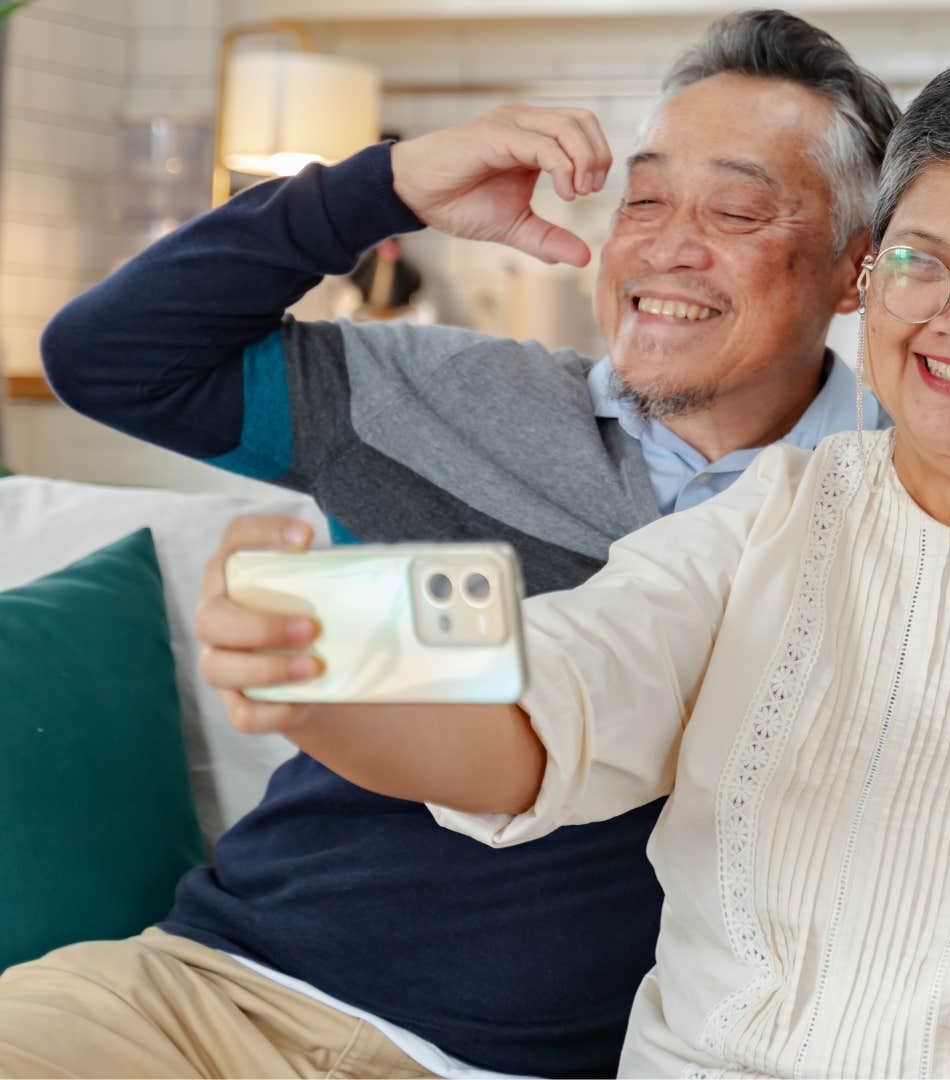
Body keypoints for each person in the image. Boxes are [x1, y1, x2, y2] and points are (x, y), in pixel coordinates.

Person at [194, 47, 950, 1079]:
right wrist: (322, 670)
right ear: (871, 278)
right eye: (922, 263)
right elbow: (547, 708)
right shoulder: (771, 517)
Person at [0, 12, 899, 1078]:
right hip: (202, 995)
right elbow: (107, 359)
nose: (666, 243)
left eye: (740, 209)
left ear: (859, 271)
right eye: (645, 198)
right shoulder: (449, 396)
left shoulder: (906, 509)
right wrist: (386, 187)